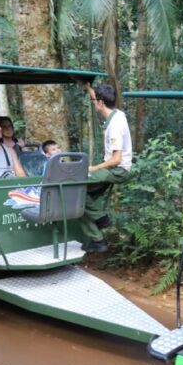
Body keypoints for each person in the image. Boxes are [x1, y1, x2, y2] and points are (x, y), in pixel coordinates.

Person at [78, 83, 132, 253]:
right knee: (77, 198)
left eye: (95, 101)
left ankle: (101, 219)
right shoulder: (118, 114)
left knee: (73, 186)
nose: (94, 104)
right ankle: (98, 241)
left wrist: (94, 168)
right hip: (115, 169)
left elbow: (116, 159)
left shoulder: (114, 126)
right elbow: (99, 97)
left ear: (101, 103)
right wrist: (88, 88)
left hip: (117, 170)